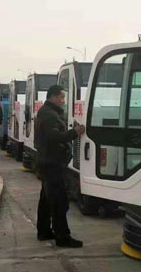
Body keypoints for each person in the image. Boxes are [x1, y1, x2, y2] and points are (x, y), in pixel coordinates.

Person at [35, 85, 85, 248]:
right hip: (52, 164)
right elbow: (54, 137)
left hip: (48, 162)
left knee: (46, 200)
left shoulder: (48, 112)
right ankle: (62, 237)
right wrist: (74, 133)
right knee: (59, 202)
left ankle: (43, 231)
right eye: (62, 97)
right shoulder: (49, 115)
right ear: (53, 97)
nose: (64, 101)